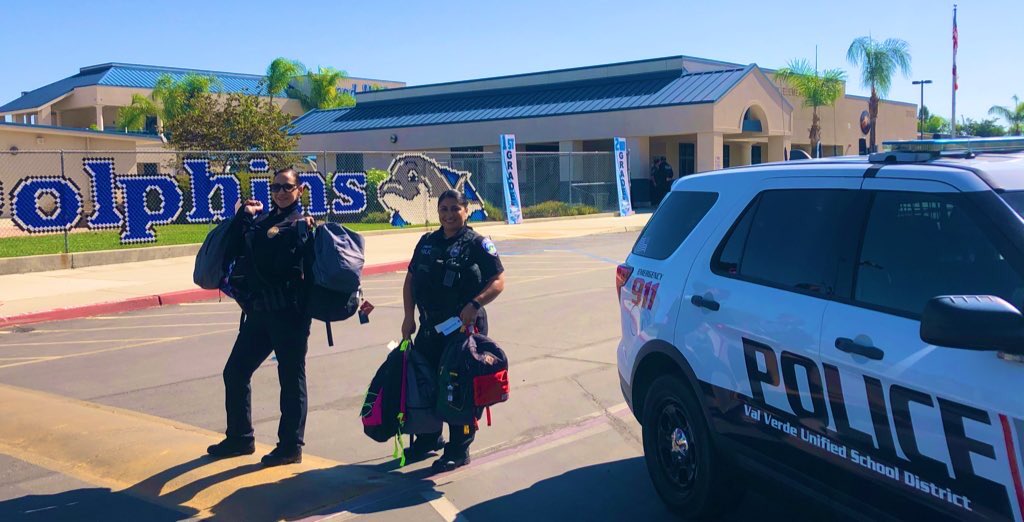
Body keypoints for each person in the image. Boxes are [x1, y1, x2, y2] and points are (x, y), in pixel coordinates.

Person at [206, 167, 315, 467]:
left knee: (291, 378)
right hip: (258, 314)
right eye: (276, 186)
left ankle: (291, 446)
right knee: (235, 372)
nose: (281, 192)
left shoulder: (301, 224)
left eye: (287, 187)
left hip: (289, 315)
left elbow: (282, 266)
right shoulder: (264, 220)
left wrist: (282, 233)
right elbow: (235, 250)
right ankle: (240, 438)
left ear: (300, 190)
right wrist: (242, 217)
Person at [401, 189, 506, 472]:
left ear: (466, 210)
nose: (448, 215)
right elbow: (410, 280)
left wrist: (475, 303)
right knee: (425, 381)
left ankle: (459, 448)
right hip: (429, 327)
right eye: (443, 209)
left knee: (457, 385)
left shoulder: (477, 244)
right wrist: (408, 317)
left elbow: (498, 281)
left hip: (464, 328)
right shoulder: (427, 242)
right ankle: (427, 438)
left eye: (454, 209)